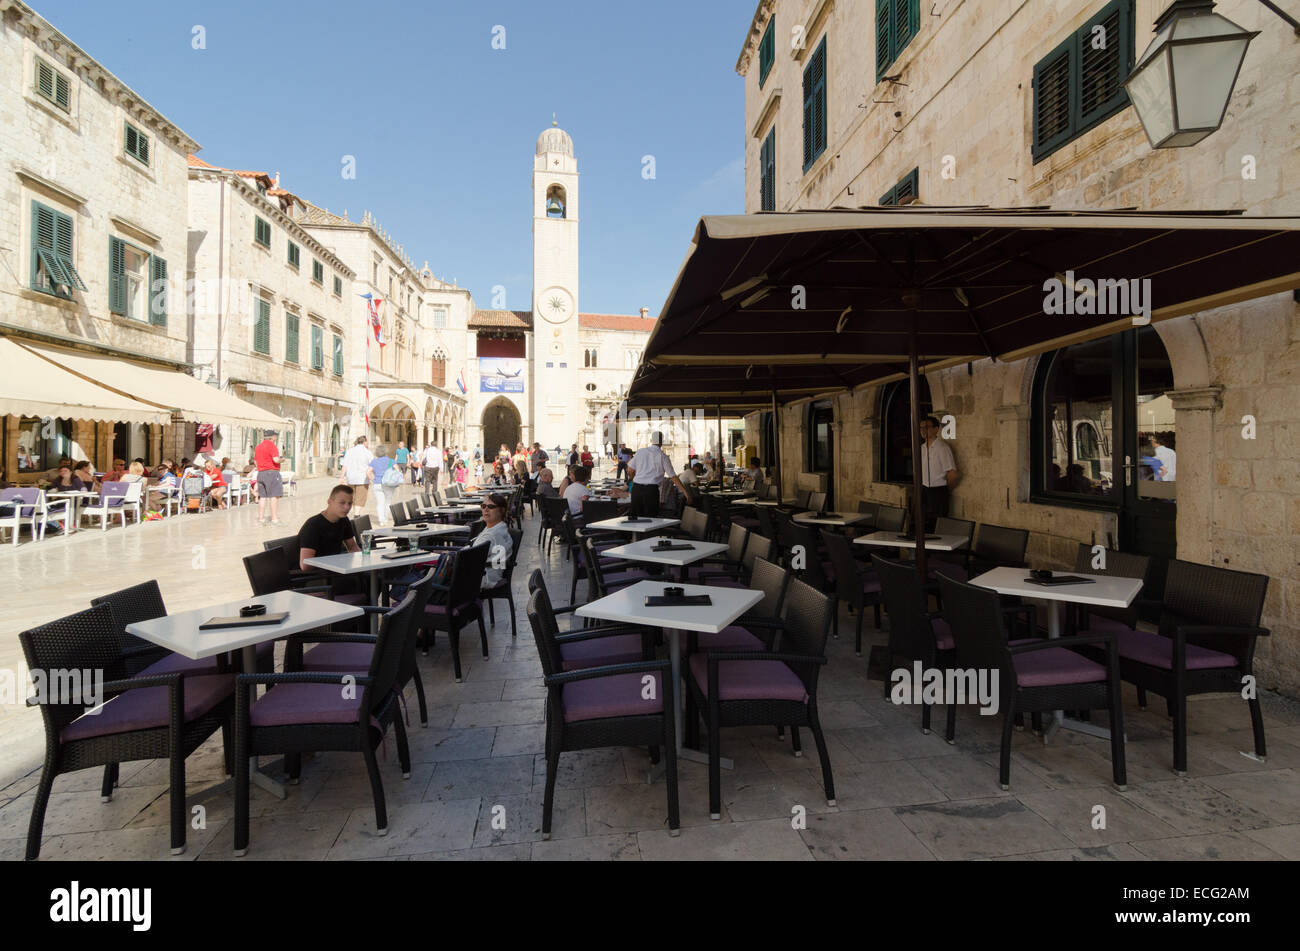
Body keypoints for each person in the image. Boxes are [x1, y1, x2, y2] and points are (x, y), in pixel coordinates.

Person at [298, 485, 361, 572]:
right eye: (342, 503)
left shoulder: (344, 520)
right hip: (317, 576)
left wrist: (364, 559)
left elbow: (353, 547)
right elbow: (305, 565)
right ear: (329, 502)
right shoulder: (313, 525)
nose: (347, 507)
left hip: (337, 569)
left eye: (350, 503)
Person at [626, 432, 688, 518]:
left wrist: (633, 478)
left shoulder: (640, 452)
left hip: (637, 489)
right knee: (650, 519)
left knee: (635, 517)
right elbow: (673, 476)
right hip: (651, 491)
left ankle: (636, 532)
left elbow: (630, 470)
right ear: (661, 442)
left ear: (651, 440)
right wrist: (685, 492)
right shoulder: (663, 456)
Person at [918, 414, 958, 529]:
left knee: (936, 526)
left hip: (938, 492)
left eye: (927, 427)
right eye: (921, 428)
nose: (923, 431)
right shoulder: (921, 448)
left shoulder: (942, 448)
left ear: (936, 429)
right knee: (922, 525)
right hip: (924, 490)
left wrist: (945, 490)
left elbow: (953, 474)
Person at [475, 492, 514, 590]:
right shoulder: (499, 529)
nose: (486, 509)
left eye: (491, 507)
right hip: (489, 575)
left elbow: (472, 557)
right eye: (483, 506)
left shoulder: (492, 535)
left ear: (502, 510)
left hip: (483, 578)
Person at [254, 429, 285, 525]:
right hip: (272, 473)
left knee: (262, 497)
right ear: (273, 437)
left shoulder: (258, 447)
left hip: (261, 473)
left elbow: (255, 462)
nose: (276, 437)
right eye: (275, 436)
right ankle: (274, 519)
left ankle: (261, 518)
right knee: (274, 496)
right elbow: (276, 460)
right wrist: (282, 459)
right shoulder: (272, 446)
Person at [342, 435, 374, 512]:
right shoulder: (367, 452)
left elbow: (344, 465)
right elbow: (373, 465)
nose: (368, 444)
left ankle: (353, 513)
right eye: (367, 442)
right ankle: (356, 514)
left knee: (352, 497)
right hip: (362, 479)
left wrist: (342, 477)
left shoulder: (349, 451)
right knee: (360, 497)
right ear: (364, 442)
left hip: (350, 478)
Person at [367, 444, 397, 526]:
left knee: (380, 503)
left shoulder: (374, 462)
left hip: (377, 484)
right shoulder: (391, 461)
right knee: (387, 502)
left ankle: (381, 520)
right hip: (388, 484)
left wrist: (373, 479)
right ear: (386, 451)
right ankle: (385, 519)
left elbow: (368, 472)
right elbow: (397, 471)